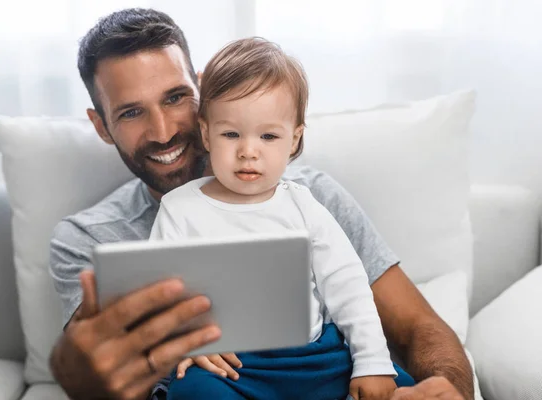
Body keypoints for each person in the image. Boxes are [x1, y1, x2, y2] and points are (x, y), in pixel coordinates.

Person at [48, 7, 474, 400]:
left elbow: (409, 321)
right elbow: (103, 377)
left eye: (175, 96)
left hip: (313, 356)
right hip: (227, 373)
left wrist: (442, 387)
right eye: (130, 113)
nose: (162, 132)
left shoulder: (310, 196)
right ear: (101, 125)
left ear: (200, 93)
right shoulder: (87, 239)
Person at [148, 37, 413, 400]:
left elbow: (347, 286)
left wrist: (371, 361)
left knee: (399, 386)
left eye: (268, 136)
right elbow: (159, 298)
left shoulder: (304, 206)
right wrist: (188, 340)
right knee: (193, 389)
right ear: (206, 133)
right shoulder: (179, 209)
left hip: (314, 356)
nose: (248, 151)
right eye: (231, 134)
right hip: (232, 365)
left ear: (294, 140)